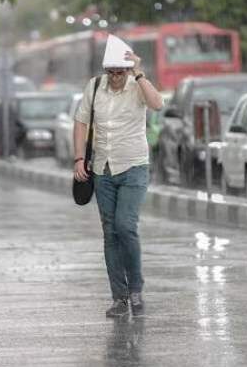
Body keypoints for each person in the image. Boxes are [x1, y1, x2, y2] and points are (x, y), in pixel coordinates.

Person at [73, 36, 164, 318]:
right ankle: (119, 298)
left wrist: (138, 71)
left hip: (133, 166)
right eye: (110, 72)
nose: (114, 78)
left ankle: (136, 289)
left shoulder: (138, 86)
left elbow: (158, 104)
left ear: (127, 70)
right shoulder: (95, 85)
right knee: (110, 233)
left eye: (119, 72)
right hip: (102, 169)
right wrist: (78, 159)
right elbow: (81, 122)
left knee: (126, 226)